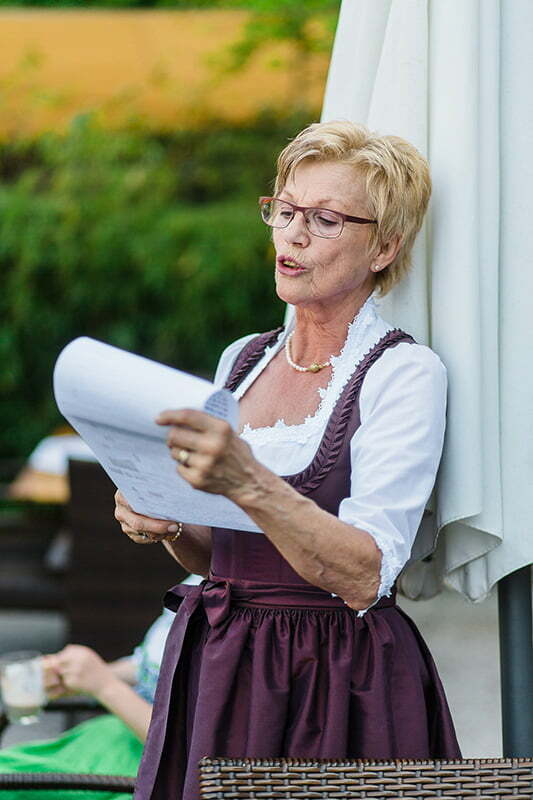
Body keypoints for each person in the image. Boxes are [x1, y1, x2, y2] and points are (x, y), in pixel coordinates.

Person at [114, 120, 461, 800]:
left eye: (326, 219)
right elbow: (222, 557)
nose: (293, 235)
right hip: (219, 662)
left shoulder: (404, 373)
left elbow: (364, 575)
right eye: (285, 210)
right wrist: (171, 519)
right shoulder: (241, 359)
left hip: (332, 678)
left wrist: (247, 480)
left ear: (384, 246)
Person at [0, 576, 199, 799]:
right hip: (111, 737)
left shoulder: (234, 607)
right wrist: (79, 675)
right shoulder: (198, 578)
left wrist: (104, 685)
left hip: (146, 775)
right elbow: (149, 666)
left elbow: (196, 756)